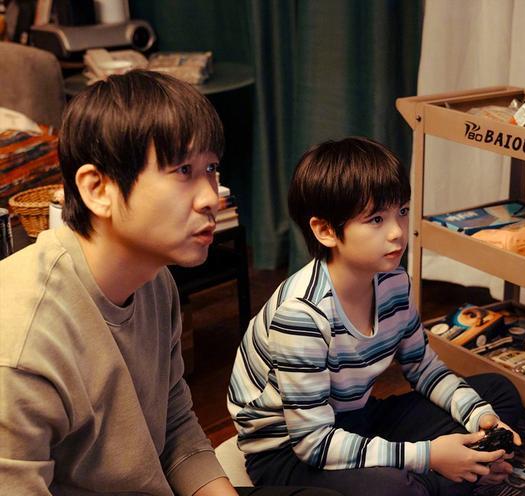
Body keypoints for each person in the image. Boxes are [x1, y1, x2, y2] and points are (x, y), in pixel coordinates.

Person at [0, 70, 340, 496]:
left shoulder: (155, 280)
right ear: (98, 188)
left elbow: (175, 422)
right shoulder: (24, 342)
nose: (212, 196)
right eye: (183, 170)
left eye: (210, 168)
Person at [227, 136, 523, 496]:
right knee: (398, 489)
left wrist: (480, 417)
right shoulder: (302, 315)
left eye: (402, 211)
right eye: (376, 219)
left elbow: (424, 368)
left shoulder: (394, 281)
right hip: (289, 450)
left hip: (357, 419)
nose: (397, 232)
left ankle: (455, 475)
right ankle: (455, 477)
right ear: (325, 230)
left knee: (498, 393)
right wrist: (429, 455)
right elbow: (313, 443)